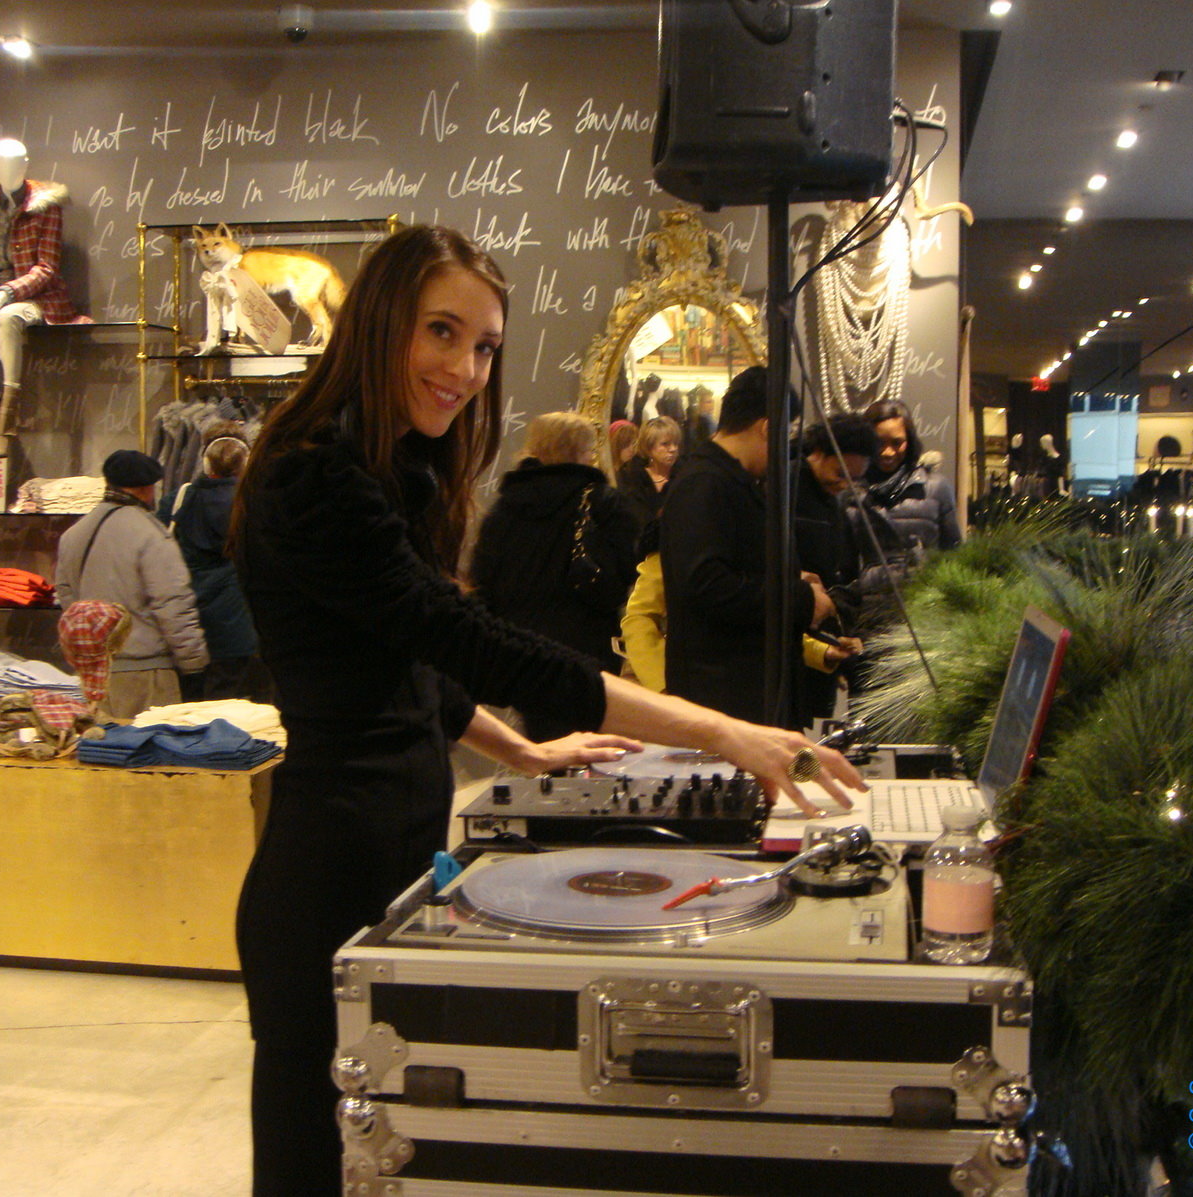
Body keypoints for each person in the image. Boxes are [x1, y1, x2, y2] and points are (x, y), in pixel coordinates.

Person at [229, 225, 863, 1195]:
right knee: (312, 1166)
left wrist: (518, 752)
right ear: (380, 321)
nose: (465, 369)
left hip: (388, 851)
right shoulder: (313, 473)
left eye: (484, 346)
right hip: (324, 875)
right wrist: (719, 731)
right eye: (441, 332)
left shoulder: (389, 467)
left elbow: (413, 669)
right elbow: (464, 638)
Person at [659, 365, 839, 726]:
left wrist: (795, 579)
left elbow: (731, 565)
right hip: (727, 700)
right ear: (768, 428)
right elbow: (707, 585)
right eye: (785, 435)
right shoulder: (704, 483)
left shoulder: (726, 479)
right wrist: (801, 599)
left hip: (745, 695)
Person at [469, 411, 640, 739]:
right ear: (584, 451)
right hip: (590, 646)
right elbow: (625, 572)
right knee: (594, 743)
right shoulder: (604, 503)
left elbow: (483, 580)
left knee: (545, 743)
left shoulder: (507, 506)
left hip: (524, 650)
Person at [0, 138, 91, 458]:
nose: (8, 169)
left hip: (37, 295)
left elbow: (47, 267)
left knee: (9, 317)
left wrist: (8, 293)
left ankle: (4, 425)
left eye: (15, 163)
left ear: (25, 164)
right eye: (1, 163)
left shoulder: (44, 205)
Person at [55, 449, 209, 719]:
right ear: (147, 488)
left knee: (102, 754)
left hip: (94, 675)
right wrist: (194, 663)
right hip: (146, 672)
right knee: (152, 756)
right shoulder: (150, 534)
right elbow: (172, 604)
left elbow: (68, 598)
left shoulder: (73, 534)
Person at [170, 432, 266, 702]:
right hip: (236, 619)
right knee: (229, 702)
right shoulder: (250, 504)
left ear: (206, 463)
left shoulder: (181, 498)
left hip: (188, 615)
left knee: (188, 704)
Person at [793, 414, 875, 725]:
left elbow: (844, 572)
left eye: (854, 479)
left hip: (823, 652)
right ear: (818, 452)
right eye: (840, 474)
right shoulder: (785, 489)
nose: (844, 485)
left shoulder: (835, 503)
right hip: (787, 658)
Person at [848, 399, 962, 588]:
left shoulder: (936, 487)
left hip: (925, 606)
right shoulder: (851, 494)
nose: (888, 452)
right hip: (868, 608)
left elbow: (953, 556)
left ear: (909, 441)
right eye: (879, 443)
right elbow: (845, 567)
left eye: (897, 442)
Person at [615, 414, 680, 541]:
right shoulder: (632, 479)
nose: (673, 449)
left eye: (676, 443)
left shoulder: (684, 477)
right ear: (649, 448)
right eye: (665, 444)